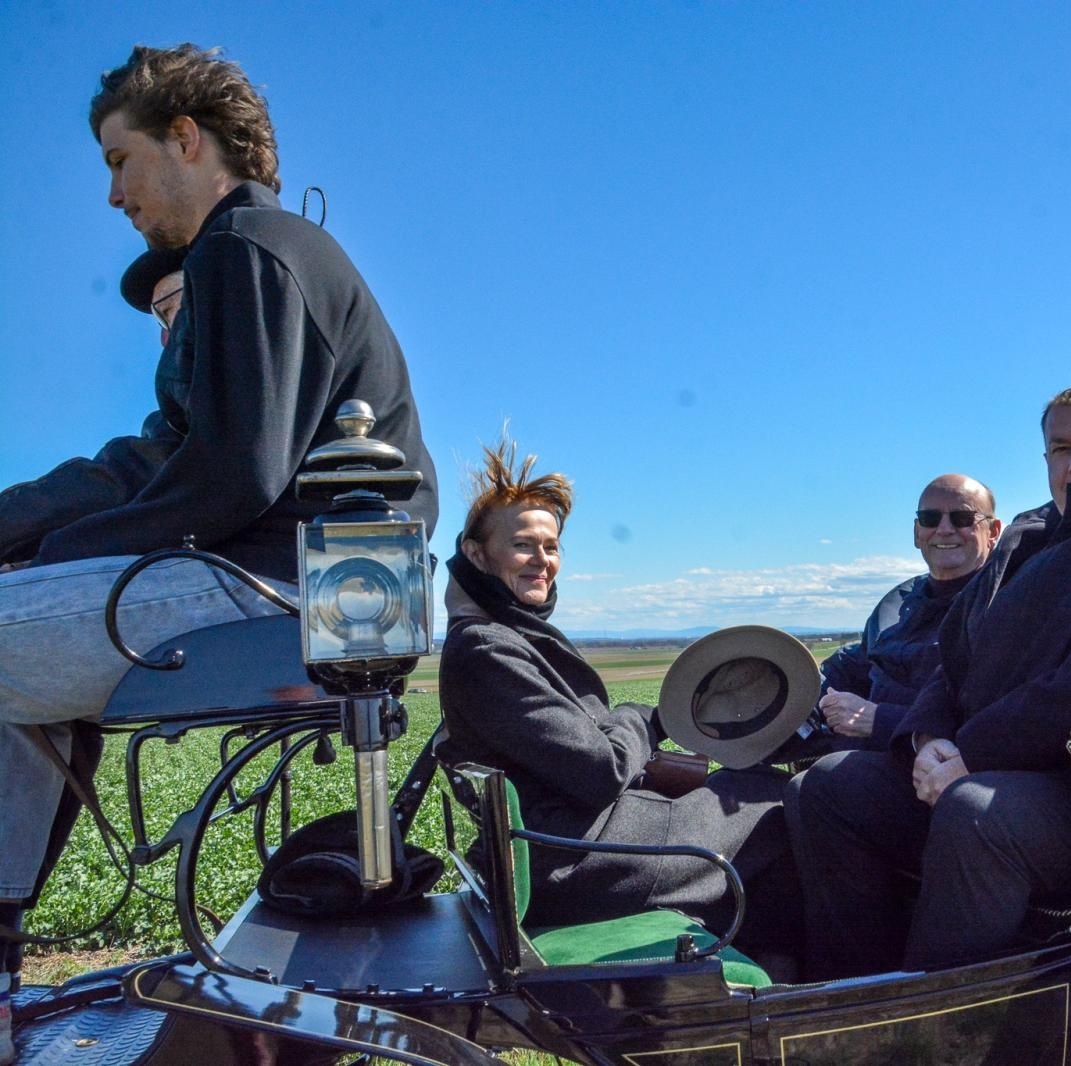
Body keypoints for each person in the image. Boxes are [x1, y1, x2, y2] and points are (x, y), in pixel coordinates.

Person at [0, 43, 438, 988]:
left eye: (120, 160)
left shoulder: (244, 248)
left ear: (186, 138)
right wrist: (21, 532)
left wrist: (51, 559)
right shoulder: (258, 253)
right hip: (301, 582)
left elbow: (230, 477)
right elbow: (157, 462)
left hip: (287, 588)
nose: (114, 194)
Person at [785, 381, 1071, 979]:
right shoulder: (1032, 533)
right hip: (986, 763)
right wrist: (928, 738)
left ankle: (934, 1019)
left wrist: (972, 752)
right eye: (1060, 448)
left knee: (976, 812)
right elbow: (957, 654)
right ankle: (849, 991)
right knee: (828, 786)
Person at [437, 440, 799, 962]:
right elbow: (600, 770)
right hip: (571, 858)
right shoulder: (486, 648)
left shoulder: (502, 637)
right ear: (476, 554)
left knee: (753, 786)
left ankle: (771, 967)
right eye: (522, 545)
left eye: (551, 547)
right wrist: (644, 718)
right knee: (781, 803)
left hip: (570, 840)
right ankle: (812, 974)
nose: (542, 561)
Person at [811, 474, 1001, 750]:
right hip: (862, 751)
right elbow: (849, 667)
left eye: (962, 518)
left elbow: (995, 717)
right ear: (916, 532)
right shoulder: (897, 604)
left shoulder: (1004, 605)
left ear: (993, 532)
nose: (944, 529)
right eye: (930, 518)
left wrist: (880, 720)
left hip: (935, 762)